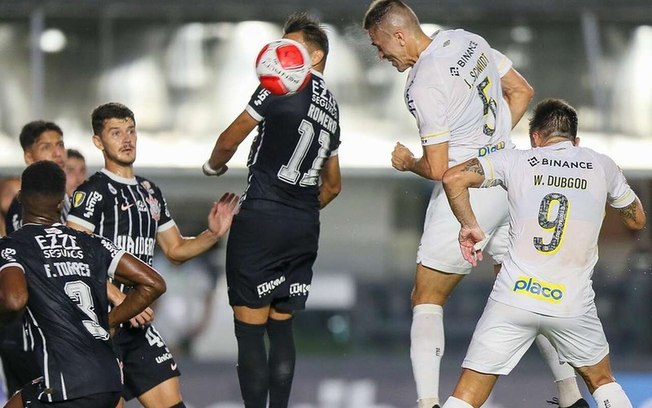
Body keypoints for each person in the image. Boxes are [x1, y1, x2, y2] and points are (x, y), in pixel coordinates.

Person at [362, 2, 588, 408]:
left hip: (467, 191)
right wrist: (492, 146)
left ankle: (428, 403)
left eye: (379, 45)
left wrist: (407, 162)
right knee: (529, 292)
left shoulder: (423, 82)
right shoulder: (466, 40)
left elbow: (436, 168)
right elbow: (522, 90)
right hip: (509, 177)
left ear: (398, 35)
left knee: (426, 297)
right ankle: (571, 396)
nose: (381, 56)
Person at [440, 98, 646, 408]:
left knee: (466, 395)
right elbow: (637, 219)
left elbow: (452, 178)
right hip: (570, 303)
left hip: (515, 296)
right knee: (602, 381)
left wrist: (469, 225)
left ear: (536, 137)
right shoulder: (602, 165)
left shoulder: (517, 160)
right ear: (576, 141)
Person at [204, 12, 341, 408]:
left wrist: (212, 167)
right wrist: (297, 212)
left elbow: (229, 140)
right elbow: (333, 186)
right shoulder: (332, 107)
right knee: (281, 330)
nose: (280, 53)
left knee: (249, 334)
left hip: (262, 219)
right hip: (303, 225)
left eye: (292, 46)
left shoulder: (280, 84)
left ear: (314, 56)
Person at [66, 103, 239, 408]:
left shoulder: (150, 192)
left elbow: (175, 250)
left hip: (139, 322)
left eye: (130, 130)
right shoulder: (93, 192)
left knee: (172, 403)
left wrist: (212, 234)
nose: (126, 139)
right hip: (101, 322)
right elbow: (73, 256)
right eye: (115, 133)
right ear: (98, 141)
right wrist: (121, 300)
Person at [0, 160, 167, 408]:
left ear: (21, 198)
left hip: (67, 384)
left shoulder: (12, 246)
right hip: (109, 380)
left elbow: (14, 300)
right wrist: (109, 321)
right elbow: (154, 283)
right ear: (61, 202)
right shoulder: (91, 242)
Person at [0, 121, 67, 398]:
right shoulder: (24, 207)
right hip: (31, 331)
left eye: (60, 145)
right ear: (29, 157)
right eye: (46, 147)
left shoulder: (66, 202)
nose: (57, 153)